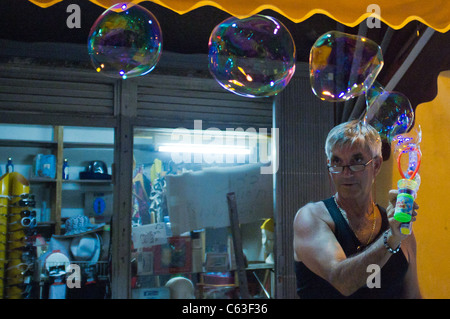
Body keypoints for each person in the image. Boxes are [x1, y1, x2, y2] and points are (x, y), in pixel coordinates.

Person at [293, 120, 421, 298]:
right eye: (337, 162)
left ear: (376, 165)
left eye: (357, 160)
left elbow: (413, 296)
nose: (346, 172)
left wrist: (395, 234)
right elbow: (341, 280)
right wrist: (391, 238)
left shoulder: (400, 232)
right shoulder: (311, 217)